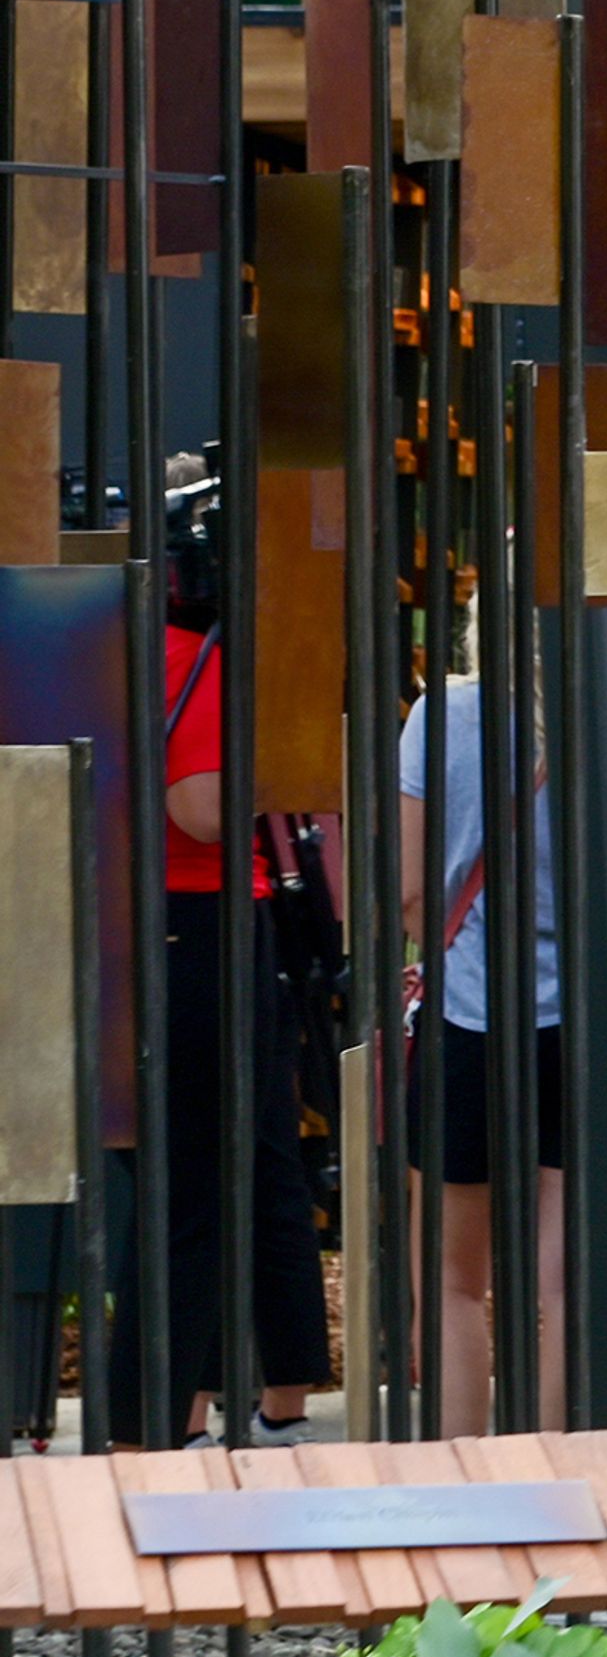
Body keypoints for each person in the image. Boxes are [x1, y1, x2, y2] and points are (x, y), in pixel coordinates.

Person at [104, 595, 335, 1448]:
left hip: (125, 915)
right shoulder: (192, 658)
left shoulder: (97, 643)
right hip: (202, 918)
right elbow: (200, 805)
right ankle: (151, 1427)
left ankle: (198, 1413)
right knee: (204, 1186)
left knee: (219, 1171)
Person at [397, 620, 565, 1436]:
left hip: (468, 1015)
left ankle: (462, 1473)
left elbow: (406, 887)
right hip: (582, 1025)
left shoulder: (441, 717)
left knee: (455, 1284)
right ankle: (557, 1468)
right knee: (563, 1284)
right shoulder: (604, 714)